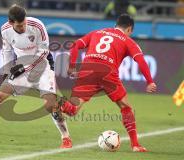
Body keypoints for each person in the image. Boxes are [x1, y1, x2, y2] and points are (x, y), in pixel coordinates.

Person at [0, 4, 72, 149]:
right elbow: (6, 51)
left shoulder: (37, 25)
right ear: (11, 23)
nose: (23, 27)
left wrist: (24, 67)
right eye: (19, 26)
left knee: (50, 104)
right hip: (21, 68)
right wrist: (7, 71)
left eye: (24, 23)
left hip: (43, 66)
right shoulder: (5, 31)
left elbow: (44, 52)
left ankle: (66, 138)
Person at [53, 14, 157, 152]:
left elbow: (75, 45)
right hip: (108, 72)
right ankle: (135, 145)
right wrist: (149, 81)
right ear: (130, 29)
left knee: (72, 110)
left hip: (87, 70)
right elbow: (141, 61)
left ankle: (57, 102)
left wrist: (72, 66)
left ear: (116, 25)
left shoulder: (97, 32)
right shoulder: (128, 41)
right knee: (126, 107)